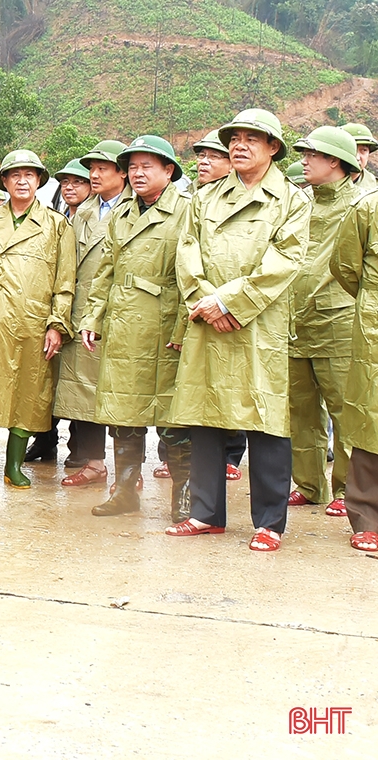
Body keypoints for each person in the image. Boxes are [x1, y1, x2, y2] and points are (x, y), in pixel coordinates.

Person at [166, 109, 309, 551]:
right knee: (204, 416)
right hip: (208, 320)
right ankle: (206, 513)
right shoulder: (204, 198)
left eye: (252, 138)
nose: (240, 145)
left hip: (257, 324)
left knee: (265, 420)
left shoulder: (291, 200)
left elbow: (285, 262)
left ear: (273, 148)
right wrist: (206, 302)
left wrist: (229, 301)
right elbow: (186, 252)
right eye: (235, 137)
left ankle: (269, 522)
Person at [80, 135, 191, 519]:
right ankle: (125, 491)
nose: (138, 173)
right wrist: (93, 317)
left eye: (147, 166)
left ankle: (183, 498)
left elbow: (192, 277)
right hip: (124, 327)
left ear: (168, 171)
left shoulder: (187, 212)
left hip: (163, 331)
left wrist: (182, 329)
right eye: (133, 166)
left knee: (172, 421)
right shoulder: (122, 213)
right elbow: (105, 270)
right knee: (123, 415)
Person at [0, 150, 76, 488]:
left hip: (34, 321)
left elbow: (65, 283)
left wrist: (56, 323)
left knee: (28, 392)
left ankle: (14, 466)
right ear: (4, 181)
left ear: (38, 181)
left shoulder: (56, 225)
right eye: (15, 175)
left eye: (29, 175)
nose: (22, 180)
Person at [155, 130, 246, 483]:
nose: (204, 162)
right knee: (183, 388)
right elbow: (184, 260)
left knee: (227, 382)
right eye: (201, 156)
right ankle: (173, 455)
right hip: (191, 301)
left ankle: (230, 455)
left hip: (229, 304)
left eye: (213, 156)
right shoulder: (192, 198)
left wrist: (223, 302)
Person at [287, 127, 361, 517]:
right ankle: (309, 484)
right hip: (296, 321)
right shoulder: (301, 203)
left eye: (311, 155)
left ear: (334, 160)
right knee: (301, 411)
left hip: (339, 321)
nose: (303, 161)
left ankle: (348, 490)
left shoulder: (360, 204)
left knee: (344, 410)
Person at [48, 140, 129, 476]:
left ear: (121, 173)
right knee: (84, 388)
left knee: (124, 392)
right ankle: (93, 461)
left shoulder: (135, 208)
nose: (93, 175)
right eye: (91, 169)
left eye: (102, 169)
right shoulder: (82, 212)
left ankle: (129, 470)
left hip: (120, 310)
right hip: (82, 311)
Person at [24, 158, 91, 463]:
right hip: (51, 309)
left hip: (82, 309)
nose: (70, 188)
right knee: (47, 379)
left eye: (77, 182)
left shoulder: (97, 219)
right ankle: (45, 439)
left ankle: (80, 448)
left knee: (79, 383)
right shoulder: (56, 217)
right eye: (65, 182)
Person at [330, 175, 378, 551]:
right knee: (368, 417)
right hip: (374, 327)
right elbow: (346, 267)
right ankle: (365, 515)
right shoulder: (368, 207)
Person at [342, 123, 378, 193]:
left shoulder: (374, 190)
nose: (357, 157)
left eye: (364, 150)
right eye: (352, 150)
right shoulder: (318, 184)